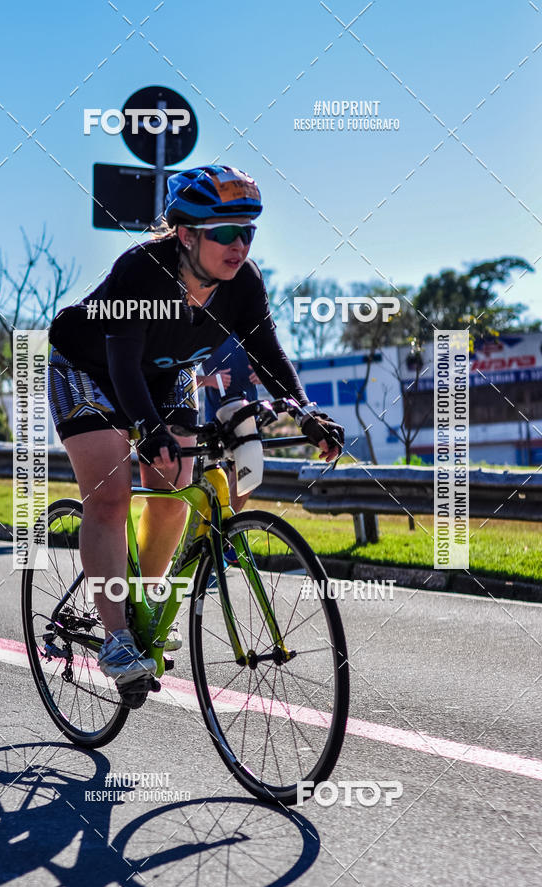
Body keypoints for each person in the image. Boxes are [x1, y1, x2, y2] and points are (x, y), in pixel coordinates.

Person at [47, 164, 344, 698]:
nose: (240, 245)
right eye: (225, 233)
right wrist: (145, 428)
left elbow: (267, 352)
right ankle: (116, 637)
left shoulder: (243, 283)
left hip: (166, 373)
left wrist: (305, 410)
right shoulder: (141, 270)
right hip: (89, 367)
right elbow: (121, 363)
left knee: (175, 493)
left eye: (248, 231)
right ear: (186, 234)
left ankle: (146, 601)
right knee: (112, 497)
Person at [197, 333, 262, 514]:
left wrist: (264, 372)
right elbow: (180, 377)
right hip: (218, 415)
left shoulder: (250, 324)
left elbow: (276, 361)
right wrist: (209, 380)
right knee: (220, 477)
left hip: (249, 410)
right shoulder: (207, 326)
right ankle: (219, 530)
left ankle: (225, 528)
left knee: (249, 475)